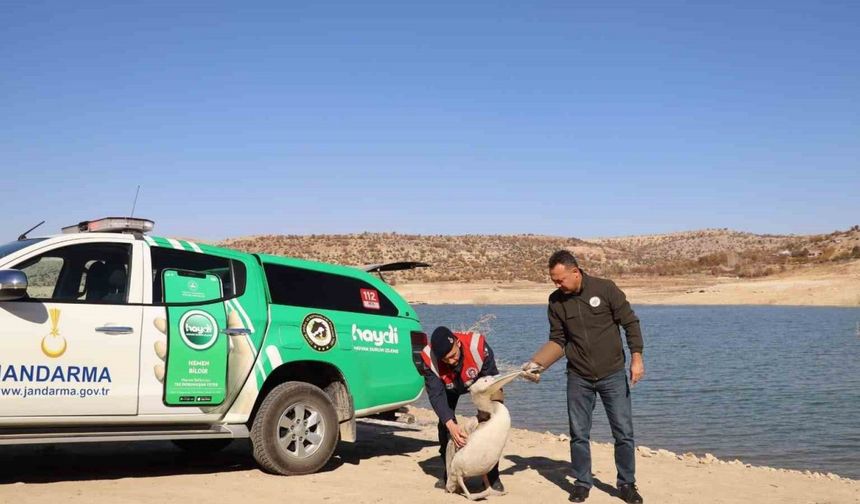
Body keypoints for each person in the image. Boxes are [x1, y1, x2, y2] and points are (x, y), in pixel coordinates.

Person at [522, 250, 645, 504]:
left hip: (612, 374)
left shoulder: (605, 288)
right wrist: (538, 364)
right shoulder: (555, 302)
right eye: (554, 281)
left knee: (623, 432)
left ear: (575, 272)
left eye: (561, 280)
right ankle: (581, 482)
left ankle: (627, 484)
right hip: (578, 377)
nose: (558, 285)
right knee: (579, 433)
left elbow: (630, 323)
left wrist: (637, 357)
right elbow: (558, 340)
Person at [419, 326, 504, 492]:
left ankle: (492, 475)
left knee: (492, 423)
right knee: (445, 426)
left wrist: (489, 414)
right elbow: (436, 396)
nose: (451, 361)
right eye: (445, 359)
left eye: (453, 355)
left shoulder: (478, 347)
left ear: (457, 343)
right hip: (447, 386)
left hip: (478, 380)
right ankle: (450, 473)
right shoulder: (429, 358)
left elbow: (493, 383)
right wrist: (451, 425)